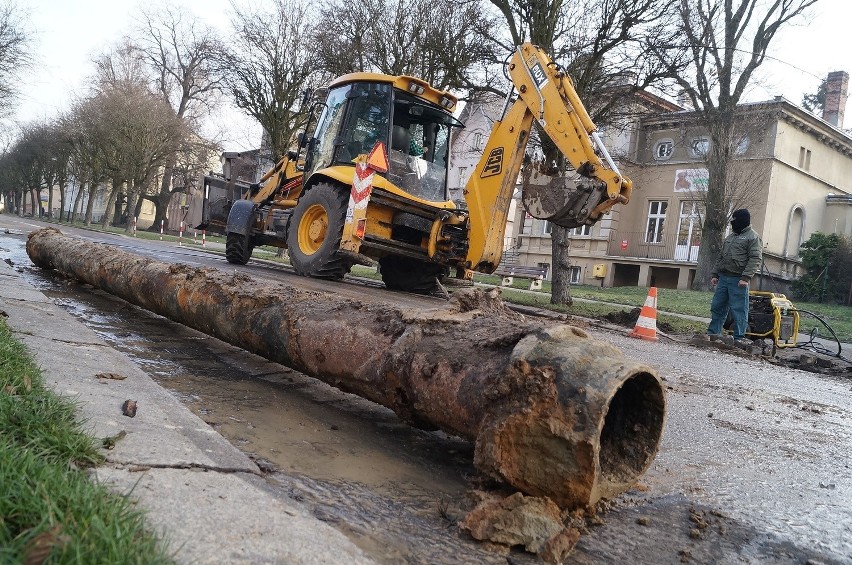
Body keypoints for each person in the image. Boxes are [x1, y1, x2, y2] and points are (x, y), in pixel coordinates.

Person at [707, 208, 762, 343]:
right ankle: (713, 334)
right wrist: (715, 274)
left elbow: (755, 259)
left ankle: (739, 338)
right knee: (717, 306)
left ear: (742, 220)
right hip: (724, 277)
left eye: (734, 221)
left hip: (739, 279)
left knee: (739, 309)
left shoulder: (753, 237)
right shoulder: (730, 237)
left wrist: (746, 277)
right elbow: (721, 257)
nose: (732, 223)